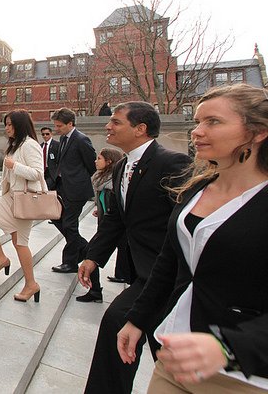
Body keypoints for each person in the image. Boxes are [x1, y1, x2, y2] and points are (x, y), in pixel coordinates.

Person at [117, 85, 268, 393]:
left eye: (213, 122)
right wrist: (138, 318)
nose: (197, 131)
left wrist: (228, 349)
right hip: (174, 357)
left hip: (243, 375)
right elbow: (170, 261)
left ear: (258, 132)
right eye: (197, 121)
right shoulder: (195, 189)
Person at [78, 101, 192, 394]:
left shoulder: (172, 163)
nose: (108, 126)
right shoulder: (122, 167)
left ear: (140, 129)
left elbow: (183, 225)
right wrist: (93, 258)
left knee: (164, 352)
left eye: (116, 122)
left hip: (170, 276)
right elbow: (116, 220)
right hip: (144, 273)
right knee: (122, 328)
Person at [0, 110, 44, 303]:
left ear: (20, 125)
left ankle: (31, 284)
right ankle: (1, 258)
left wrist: (14, 165)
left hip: (25, 200)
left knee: (20, 243)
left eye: (10, 124)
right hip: (11, 197)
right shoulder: (15, 146)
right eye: (5, 125)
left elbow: (37, 173)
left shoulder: (30, 145)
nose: (7, 128)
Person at [49, 108, 102, 300]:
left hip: (76, 190)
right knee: (57, 218)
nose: (57, 129)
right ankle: (78, 252)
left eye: (59, 126)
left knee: (70, 225)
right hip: (63, 187)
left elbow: (91, 163)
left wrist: (79, 180)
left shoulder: (81, 139)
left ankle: (78, 255)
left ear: (70, 123)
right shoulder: (63, 139)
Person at [91, 147, 131, 284]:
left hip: (112, 226)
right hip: (105, 221)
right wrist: (100, 209)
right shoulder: (100, 179)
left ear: (109, 161)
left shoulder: (112, 182)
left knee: (91, 253)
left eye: (99, 158)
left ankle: (96, 290)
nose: (96, 161)